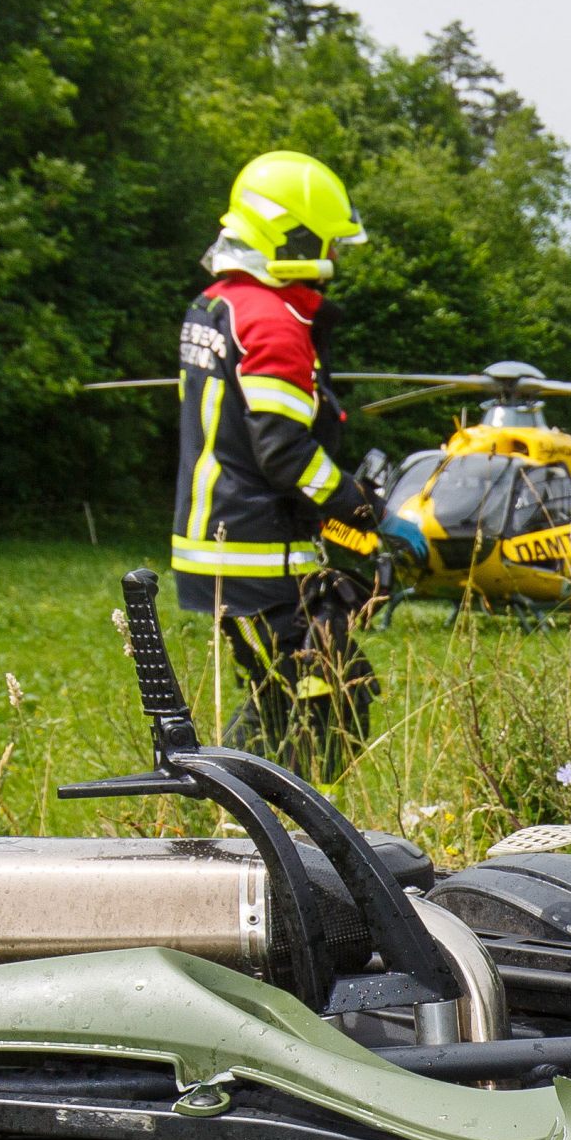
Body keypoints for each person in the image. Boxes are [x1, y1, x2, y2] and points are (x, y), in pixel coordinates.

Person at [170, 149, 382, 775]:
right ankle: (235, 822)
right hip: (259, 557)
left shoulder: (218, 303)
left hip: (217, 549)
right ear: (291, 236)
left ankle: (230, 820)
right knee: (327, 704)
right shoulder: (272, 321)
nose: (335, 258)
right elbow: (285, 452)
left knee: (287, 700)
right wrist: (357, 504)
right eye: (327, 241)